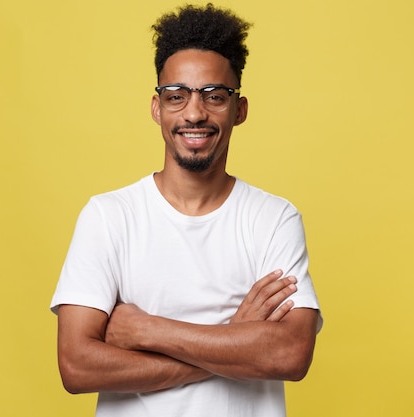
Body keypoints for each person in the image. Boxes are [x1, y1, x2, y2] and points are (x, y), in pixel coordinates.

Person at [50, 3, 323, 416]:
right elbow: (76, 366)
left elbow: (289, 355)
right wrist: (234, 341)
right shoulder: (109, 216)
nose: (194, 113)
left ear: (239, 109)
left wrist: (147, 330)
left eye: (215, 96)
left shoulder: (272, 219)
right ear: (157, 108)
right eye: (176, 96)